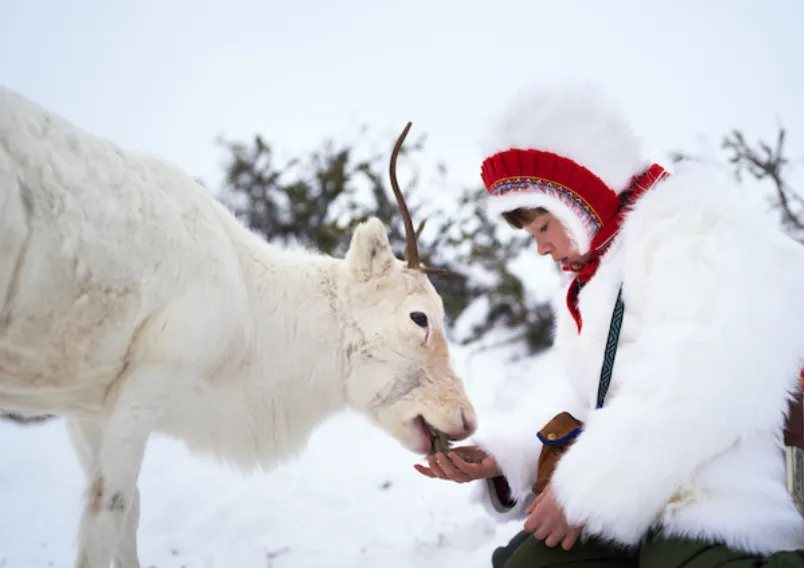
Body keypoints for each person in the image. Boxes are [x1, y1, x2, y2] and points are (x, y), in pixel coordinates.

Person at [414, 82, 804, 568]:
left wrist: (584, 492)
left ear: (581, 194)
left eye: (542, 226)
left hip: (711, 492)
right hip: (626, 497)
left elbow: (695, 387)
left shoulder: (697, 229)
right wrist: (509, 457)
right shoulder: (600, 270)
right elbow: (591, 398)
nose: (541, 247)